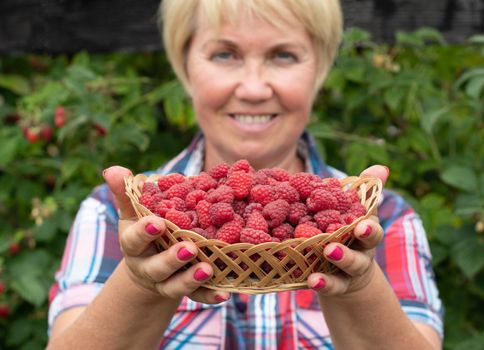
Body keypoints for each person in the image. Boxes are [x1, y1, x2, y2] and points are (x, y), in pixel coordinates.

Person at [46, 0, 444, 349]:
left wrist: (359, 287)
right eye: (224, 54)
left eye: (283, 55)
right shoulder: (115, 213)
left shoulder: (383, 218)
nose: (253, 88)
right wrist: (140, 283)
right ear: (184, 64)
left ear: (319, 68)